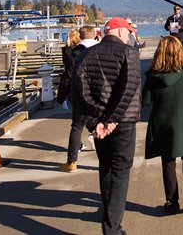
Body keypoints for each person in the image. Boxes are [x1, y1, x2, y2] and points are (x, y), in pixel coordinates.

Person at [70, 17, 141, 235]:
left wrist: (96, 120)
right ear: (119, 32)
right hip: (123, 122)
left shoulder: (85, 54)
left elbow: (79, 90)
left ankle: (110, 217)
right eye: (127, 31)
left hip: (99, 123)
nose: (129, 35)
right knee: (120, 171)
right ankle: (112, 228)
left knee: (106, 168)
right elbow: (128, 89)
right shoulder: (129, 53)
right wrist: (111, 119)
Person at [143, 36, 183, 214]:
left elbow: (145, 101)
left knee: (168, 161)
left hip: (163, 121)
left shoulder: (153, 76)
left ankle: (172, 201)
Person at [59, 26, 98, 172]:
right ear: (94, 35)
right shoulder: (101, 49)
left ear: (81, 37)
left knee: (77, 127)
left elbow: (70, 74)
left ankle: (72, 162)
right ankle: (106, 160)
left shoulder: (74, 53)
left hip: (80, 93)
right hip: (99, 93)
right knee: (99, 125)